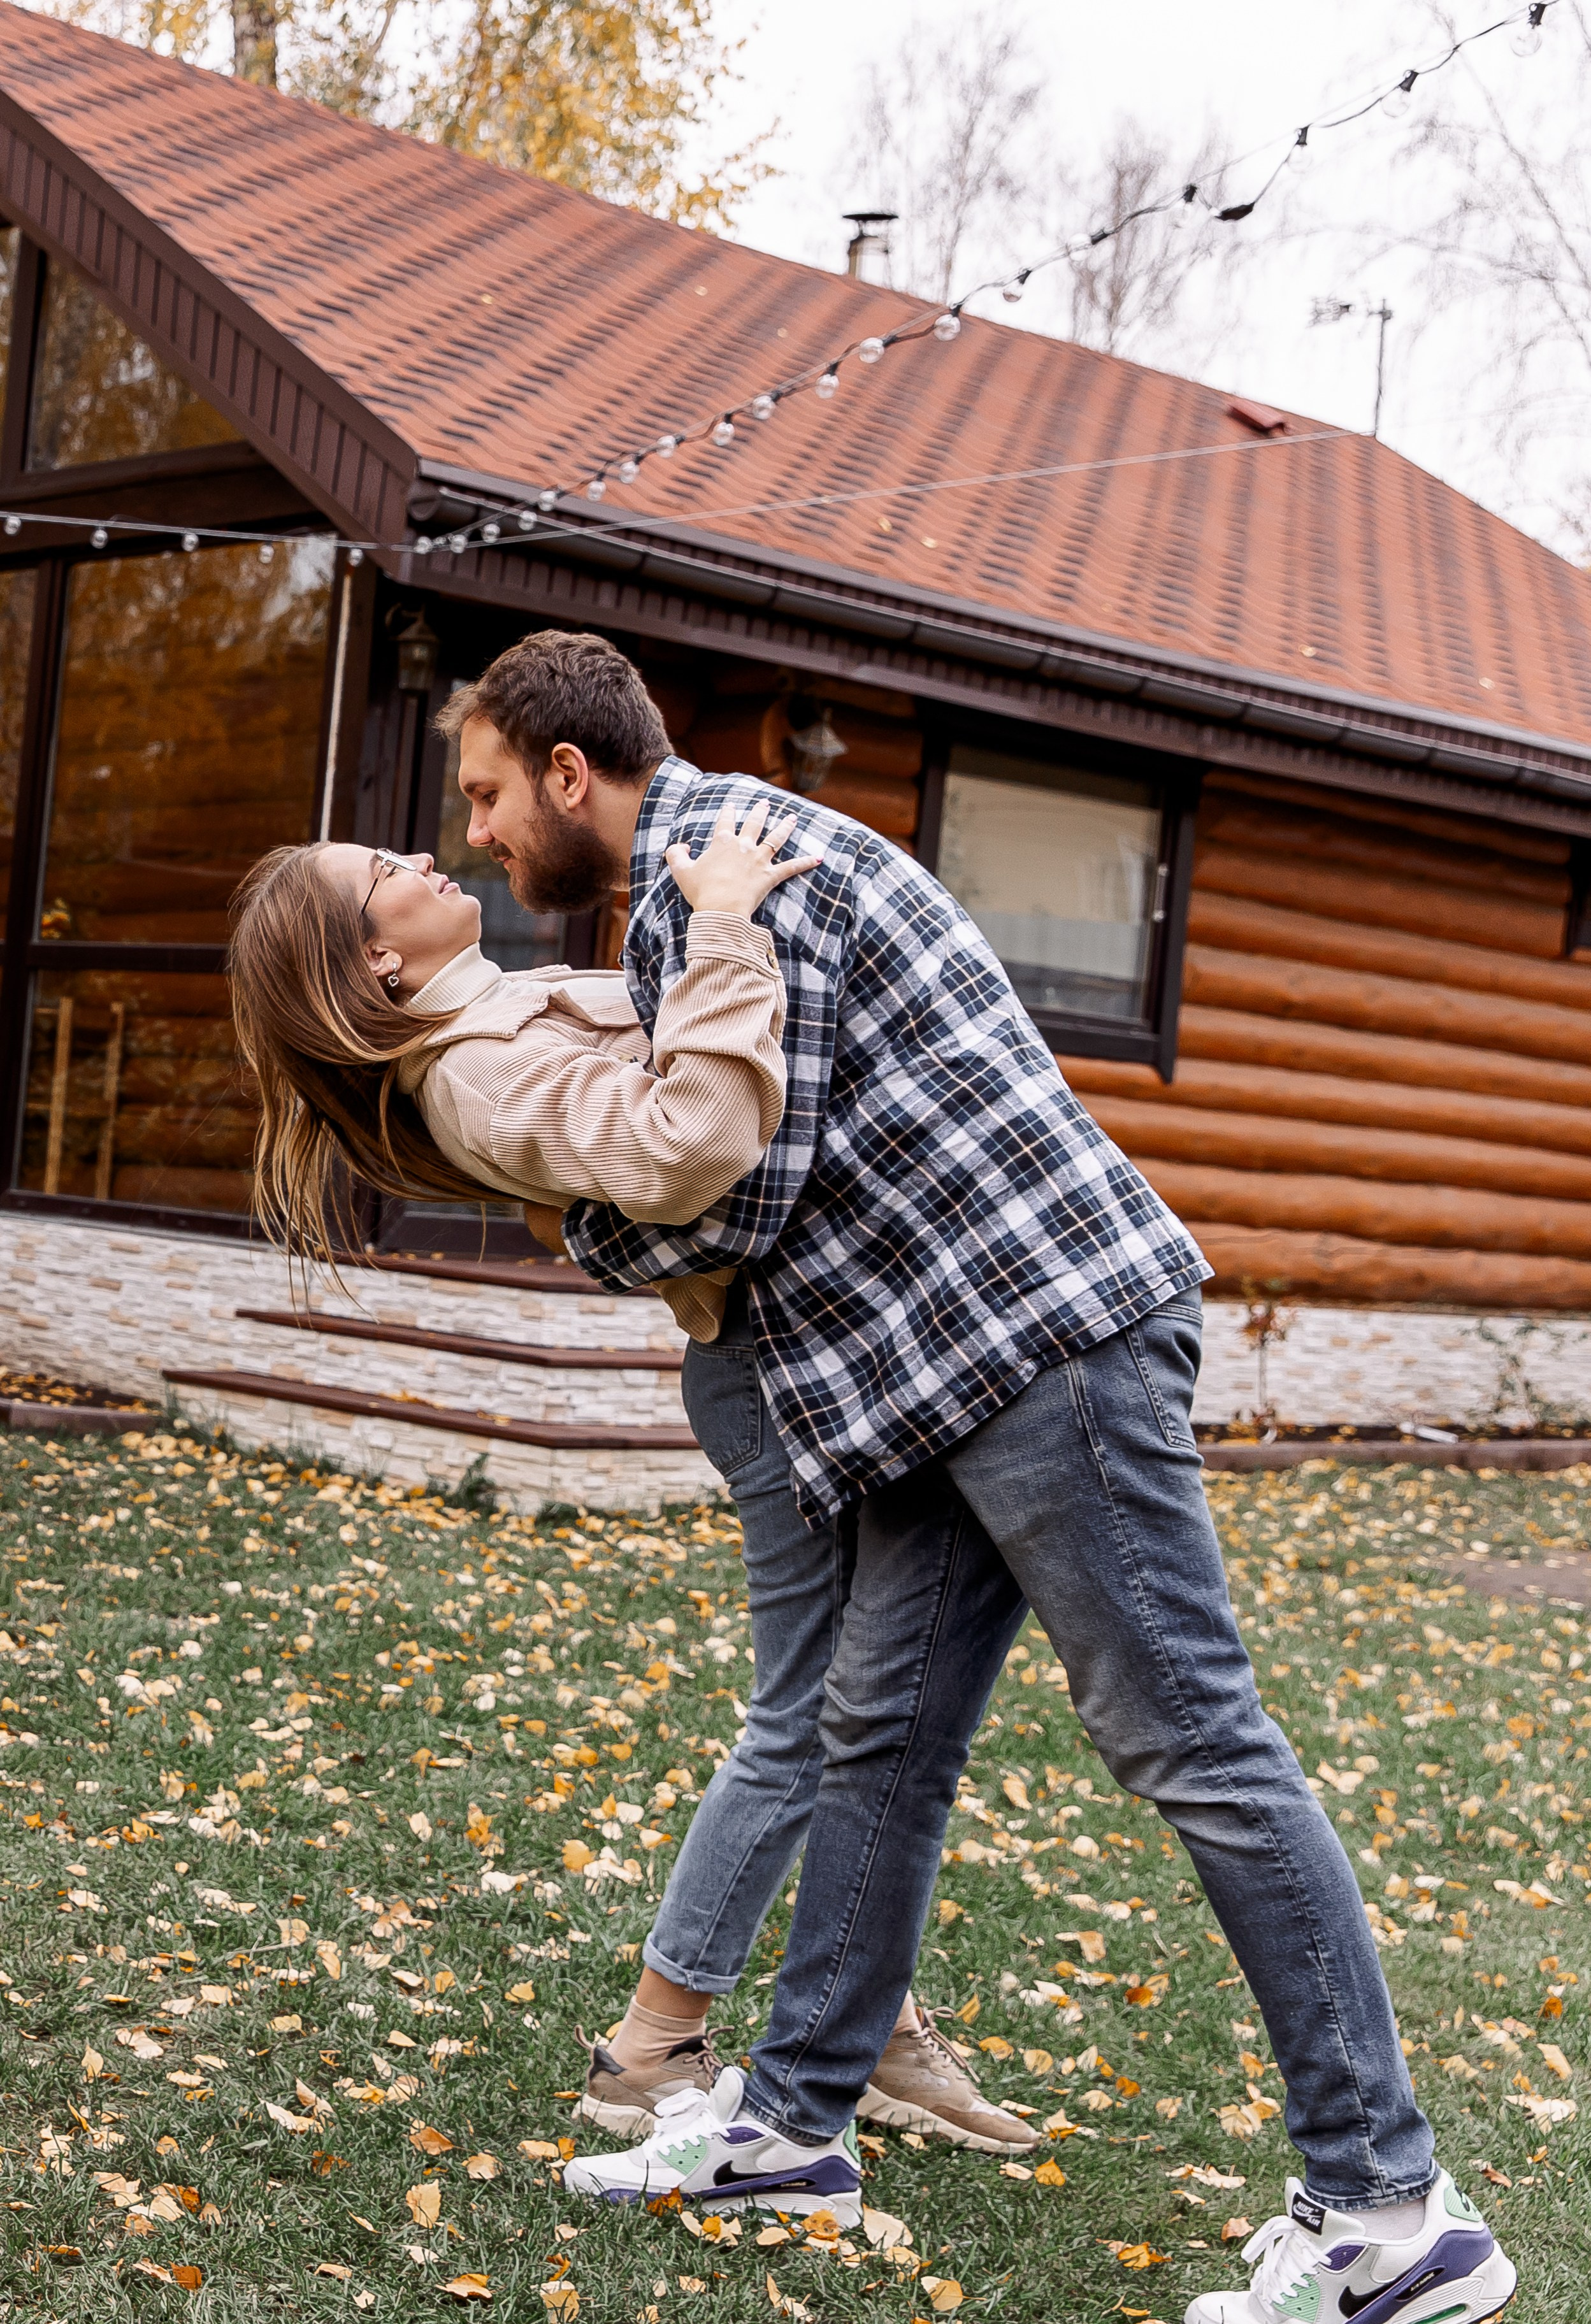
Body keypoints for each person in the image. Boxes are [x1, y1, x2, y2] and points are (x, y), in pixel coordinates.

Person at [449, 629, 1516, 2324]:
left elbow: (730, 1190)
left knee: (1194, 1736)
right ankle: (796, 2126)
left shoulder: (714, 881)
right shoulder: (711, 868)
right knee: (877, 1738)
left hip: (1044, 1347)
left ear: (570, 772)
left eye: (491, 796)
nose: (482, 837)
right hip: (946, 1378)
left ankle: (1389, 2208)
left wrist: (567, 1200)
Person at [227, 801, 1030, 2160]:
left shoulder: (504, 1002)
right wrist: (720, 927)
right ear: (376, 965)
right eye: (387, 873)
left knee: (865, 1710)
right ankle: (655, 2042)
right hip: (770, 1375)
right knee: (816, 1710)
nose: (428, 852)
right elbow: (681, 1143)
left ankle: (870, 2018)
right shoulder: (475, 1066)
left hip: (804, 1348)